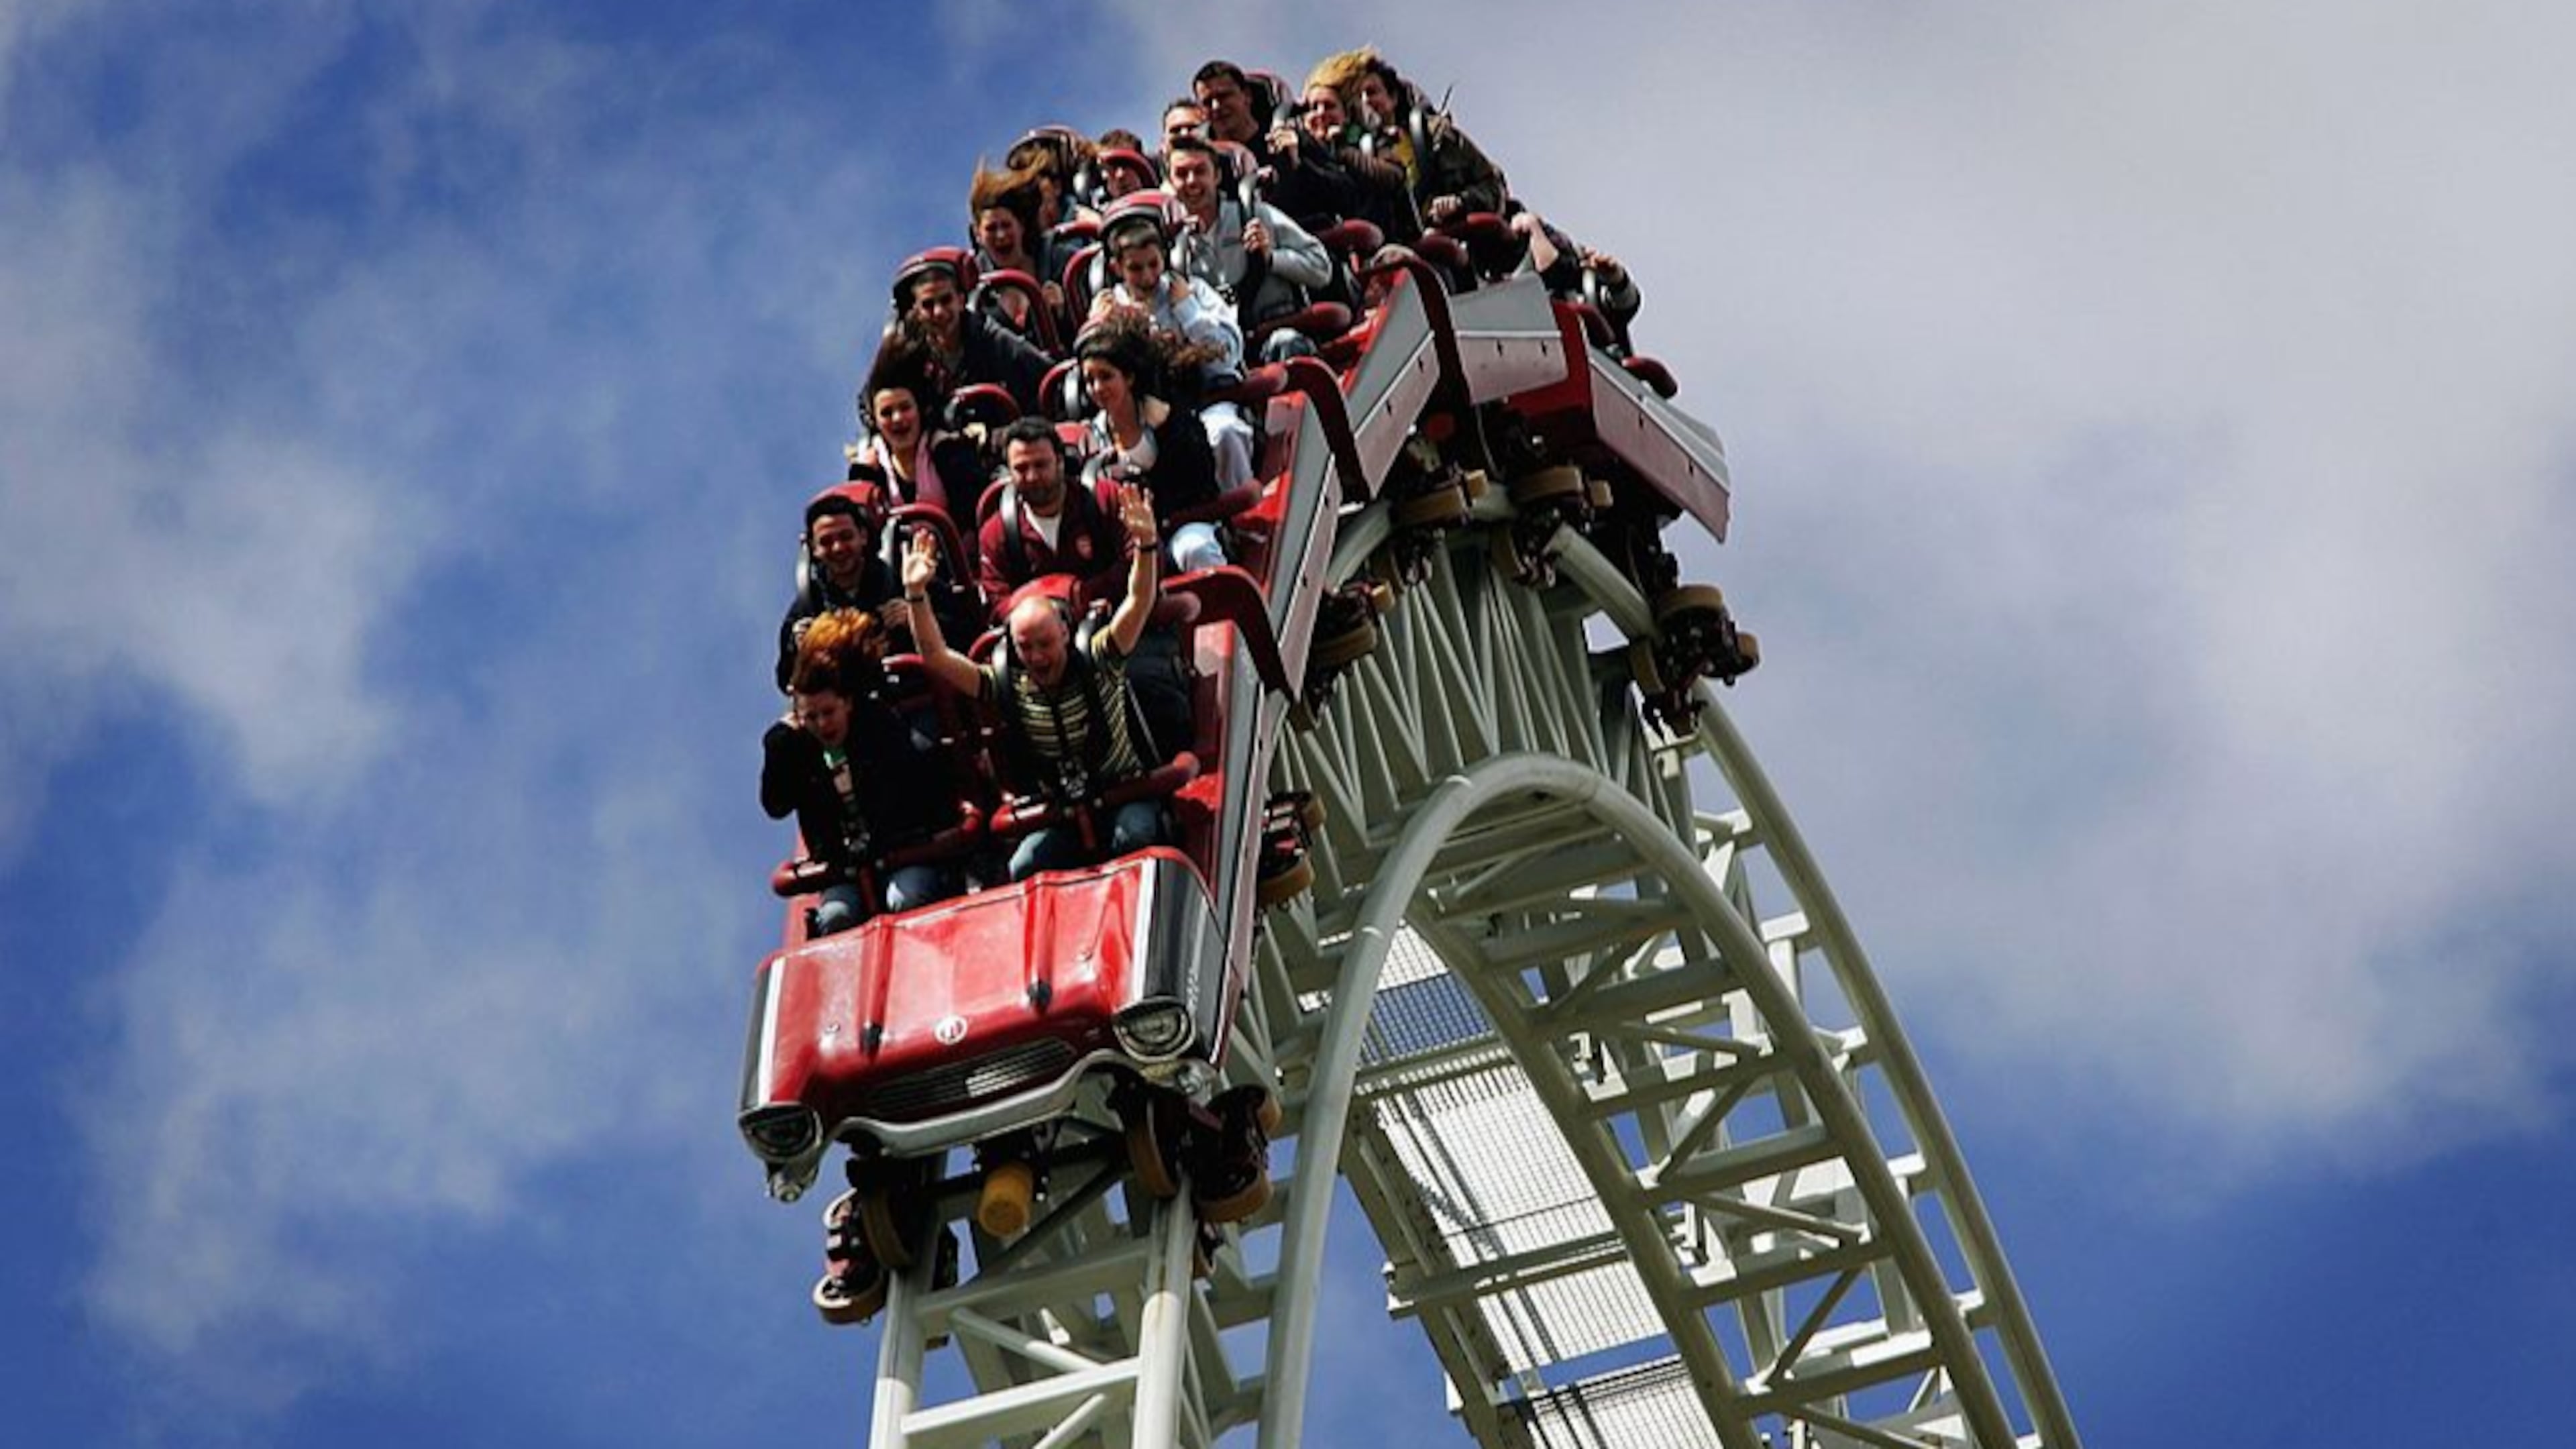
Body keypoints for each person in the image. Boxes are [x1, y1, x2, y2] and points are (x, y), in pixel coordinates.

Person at [904, 484, 1173, 880]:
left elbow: (1138, 602)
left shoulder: (1099, 656)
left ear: (1066, 633)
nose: (1038, 658)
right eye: (1026, 648)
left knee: (1134, 837)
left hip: (1122, 791)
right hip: (1060, 807)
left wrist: (1147, 545)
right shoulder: (1007, 682)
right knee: (1024, 866)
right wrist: (915, 596)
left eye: (1045, 644)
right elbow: (935, 656)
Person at [761, 609, 963, 928]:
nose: (822, 725)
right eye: (811, 717)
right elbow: (776, 804)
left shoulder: (879, 726)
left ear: (848, 703)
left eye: (828, 712)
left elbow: (913, 789)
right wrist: (778, 746)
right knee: (837, 917)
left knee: (906, 900)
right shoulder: (796, 746)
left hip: (901, 851)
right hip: (844, 867)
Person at [1087, 208, 1258, 491]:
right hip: (1145, 412)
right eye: (1135, 268)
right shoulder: (1108, 308)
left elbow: (1227, 357)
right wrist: (1101, 327)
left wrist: (1188, 312)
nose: (1147, 276)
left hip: (1202, 398)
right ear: (1117, 268)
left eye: (1154, 264)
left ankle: (1240, 511)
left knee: (1225, 432)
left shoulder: (1192, 292)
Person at [1075, 315, 1226, 572]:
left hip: (1180, 526)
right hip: (1131, 540)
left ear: (1129, 378)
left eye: (1106, 377)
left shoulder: (1165, 417)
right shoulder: (1093, 437)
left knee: (1196, 549)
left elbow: (1202, 479)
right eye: (1090, 381)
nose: (1098, 388)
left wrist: (1169, 429)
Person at [1163, 133, 1333, 360]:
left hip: (1275, 334)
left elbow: (1321, 269)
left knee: (1286, 344)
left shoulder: (1254, 215)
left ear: (1217, 176)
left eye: (1200, 171)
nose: (1192, 181)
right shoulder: (1176, 249)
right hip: (1223, 354)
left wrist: (1271, 257)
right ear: (1171, 183)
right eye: (1182, 174)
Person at [1307, 48, 1508, 229]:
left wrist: (1460, 202)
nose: (1366, 102)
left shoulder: (1434, 135)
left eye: (1371, 92)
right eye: (1358, 97)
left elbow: (1492, 187)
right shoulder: (1352, 149)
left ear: (1393, 97)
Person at [975, 415, 1128, 613]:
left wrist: (1086, 595)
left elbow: (1141, 563)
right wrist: (1047, 609)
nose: (1032, 477)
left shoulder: (1105, 499)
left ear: (1060, 462)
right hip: (1038, 638)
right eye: (1021, 469)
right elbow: (997, 603)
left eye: (1040, 465)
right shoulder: (996, 533)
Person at [881, 250, 1051, 417]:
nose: (939, 312)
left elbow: (1046, 379)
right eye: (928, 305)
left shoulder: (990, 338)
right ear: (917, 311)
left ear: (961, 301)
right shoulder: (906, 350)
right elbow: (873, 399)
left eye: (946, 300)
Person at [777, 482, 898, 692]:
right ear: (813, 549)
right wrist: (800, 653)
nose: (838, 548)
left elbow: (958, 626)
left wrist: (916, 614)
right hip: (850, 712)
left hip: (910, 694)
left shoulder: (898, 578)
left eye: (846, 537)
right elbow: (787, 681)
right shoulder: (810, 604)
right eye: (826, 542)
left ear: (863, 536)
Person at [853, 345, 981, 526]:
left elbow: (973, 517)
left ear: (920, 410)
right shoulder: (872, 466)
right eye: (887, 413)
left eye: (905, 408)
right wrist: (863, 474)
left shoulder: (948, 451)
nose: (897, 419)